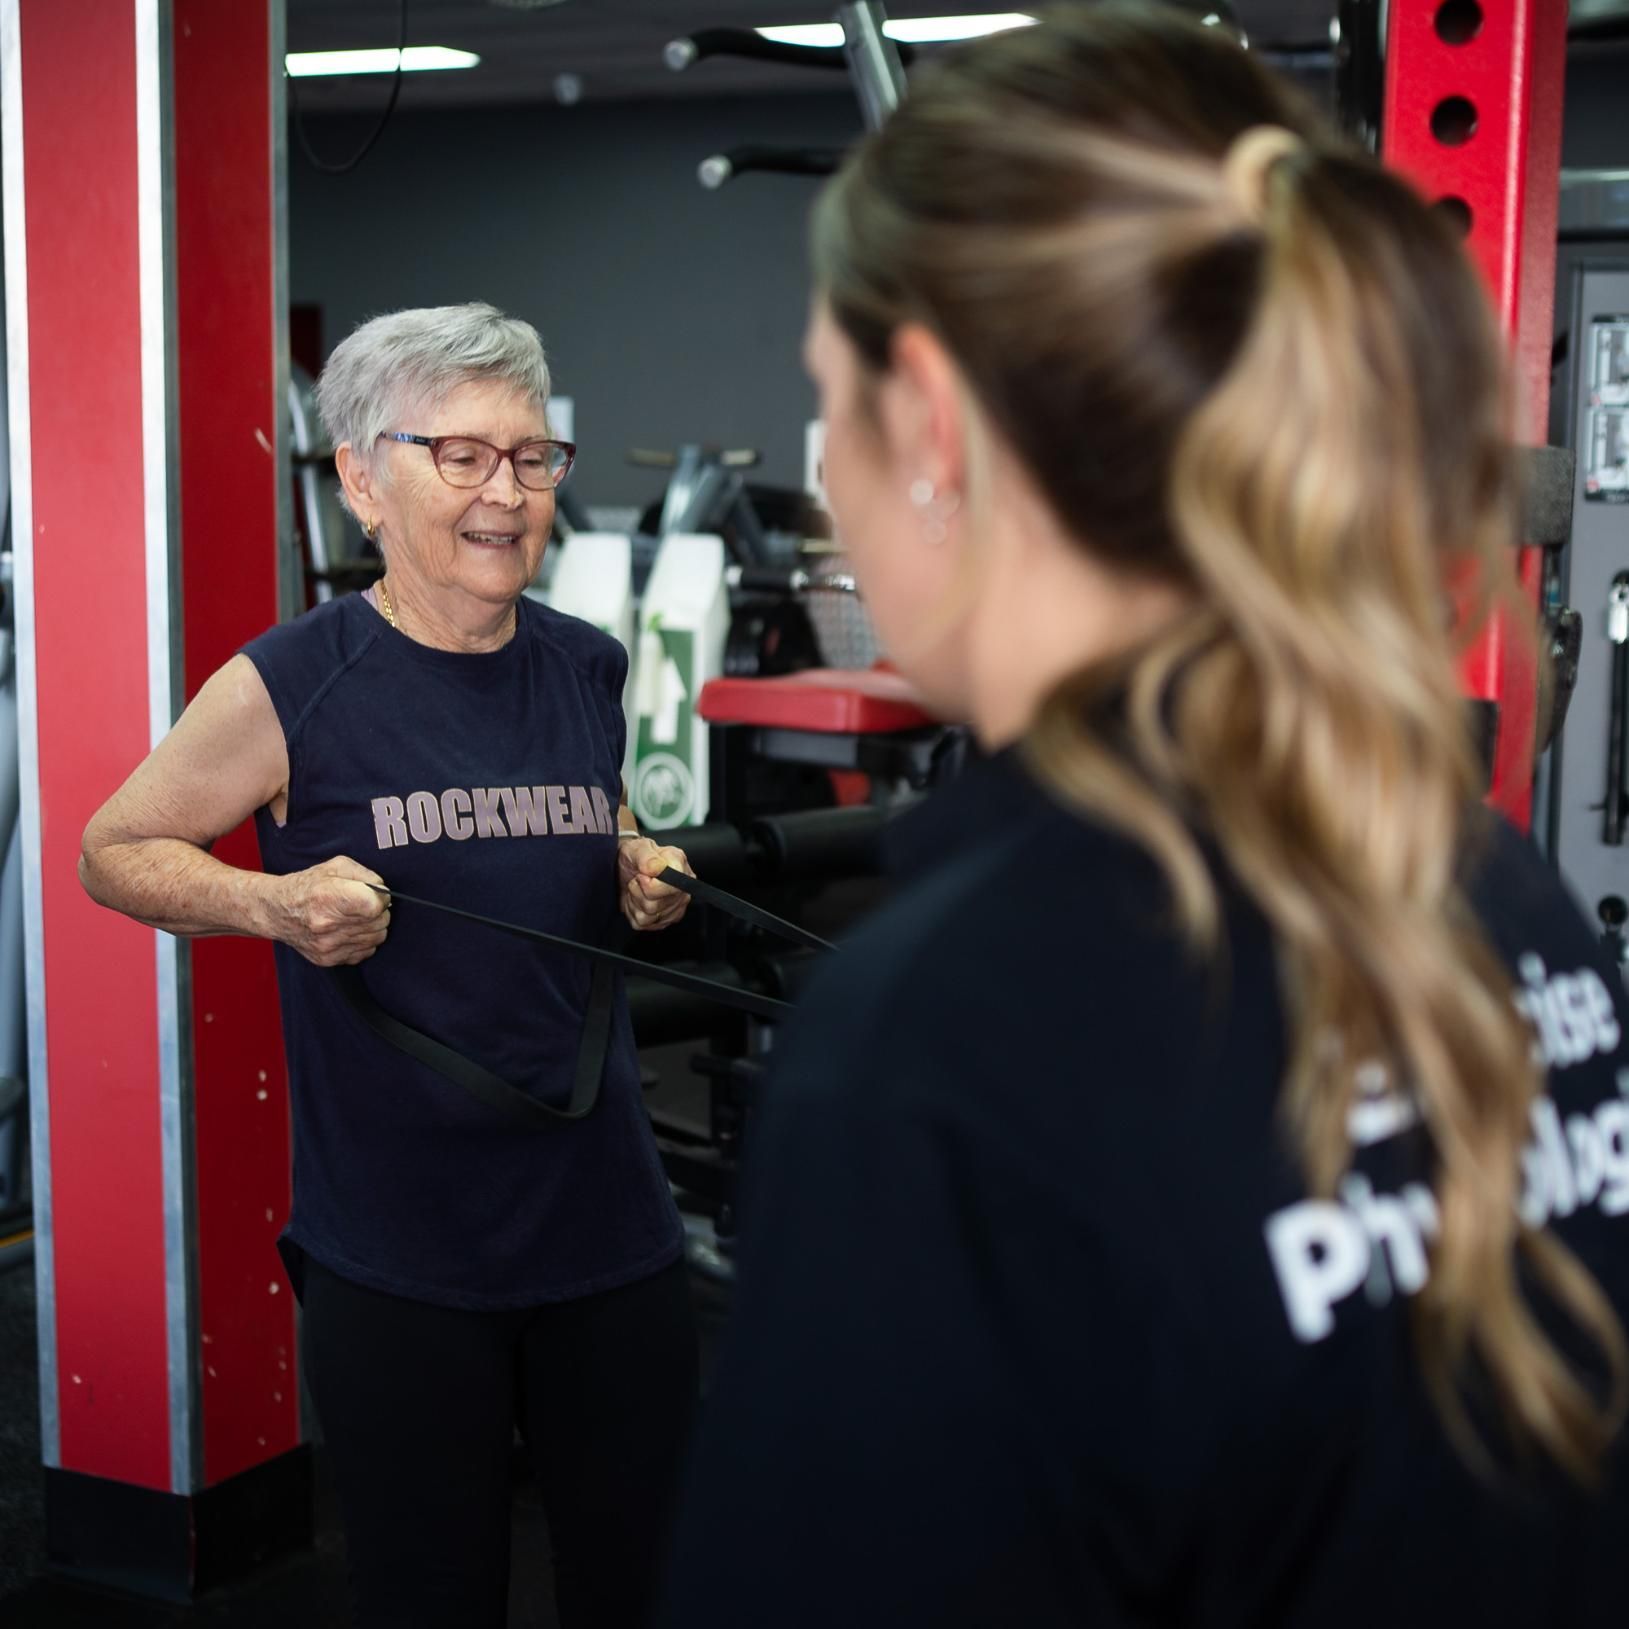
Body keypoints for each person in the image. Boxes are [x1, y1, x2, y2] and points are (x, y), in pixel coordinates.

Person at [656, 10, 1629, 1627]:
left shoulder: (945, 1039)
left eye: (824, 404)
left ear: (936, 424)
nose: (825, 479)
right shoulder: (1484, 878)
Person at [80, 303, 699, 1629]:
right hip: (406, 1255)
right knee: (433, 1594)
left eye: (532, 458)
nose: (506, 494)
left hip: (609, 1225)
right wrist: (274, 899)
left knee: (643, 1580)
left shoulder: (586, 665)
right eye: (462, 457)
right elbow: (113, 847)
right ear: (361, 476)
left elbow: (583, 817)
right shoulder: (292, 683)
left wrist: (636, 862)